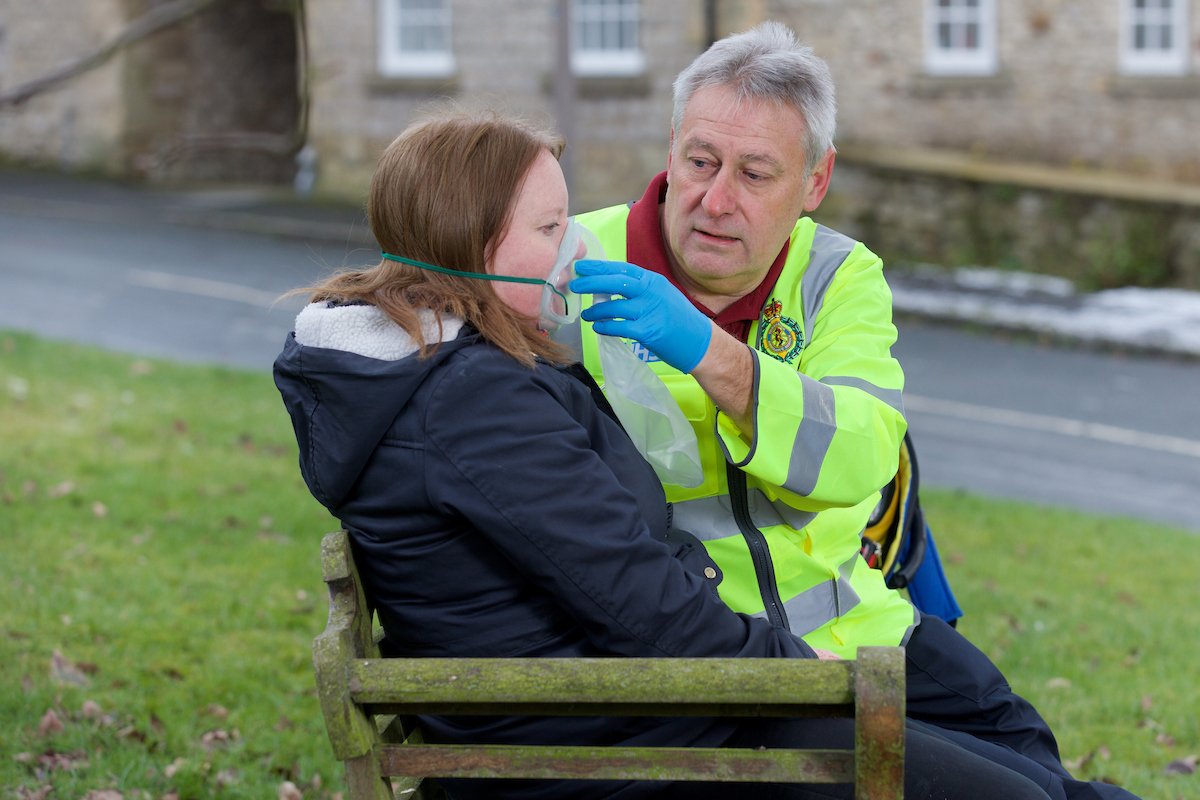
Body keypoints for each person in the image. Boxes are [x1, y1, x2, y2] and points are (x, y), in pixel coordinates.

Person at [274, 108, 1057, 800]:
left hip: (619, 716)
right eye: (549, 229)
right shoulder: (472, 402)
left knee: (1021, 773)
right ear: (472, 247)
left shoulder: (457, 370)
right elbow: (637, 601)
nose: (574, 246)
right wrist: (798, 672)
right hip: (613, 750)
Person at [568, 21, 1140, 800]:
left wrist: (708, 353)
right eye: (700, 161)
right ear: (671, 147)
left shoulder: (836, 274)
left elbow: (863, 454)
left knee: (1040, 768)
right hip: (728, 669)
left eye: (755, 174)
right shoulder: (577, 263)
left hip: (866, 632)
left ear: (815, 181)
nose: (715, 199)